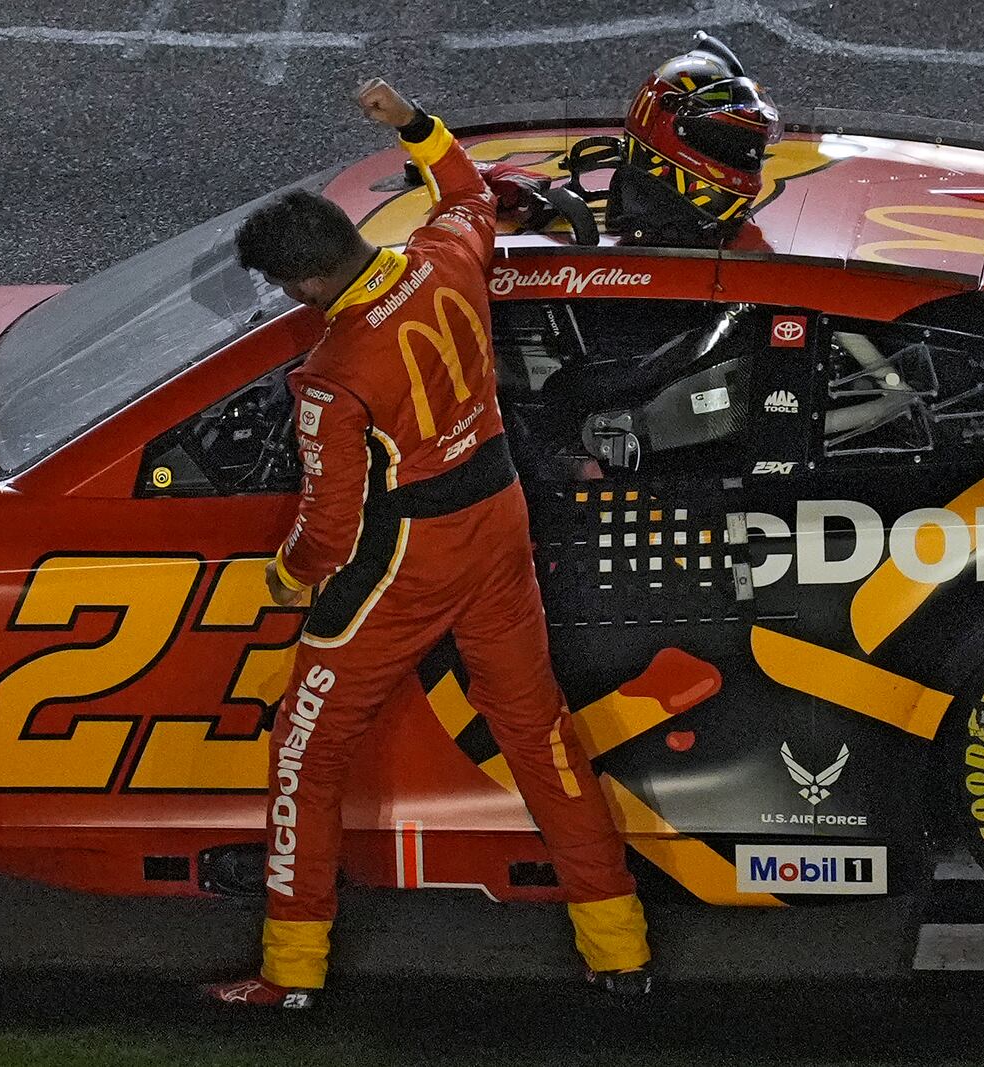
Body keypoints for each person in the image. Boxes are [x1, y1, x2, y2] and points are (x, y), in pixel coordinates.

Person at [202, 78, 651, 1010]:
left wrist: (285, 581)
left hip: (406, 562)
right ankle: (621, 952)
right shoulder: (443, 255)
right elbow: (470, 192)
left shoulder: (328, 375)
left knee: (303, 753)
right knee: (543, 739)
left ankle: (291, 975)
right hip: (498, 520)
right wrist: (413, 124)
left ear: (305, 282)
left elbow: (330, 528)